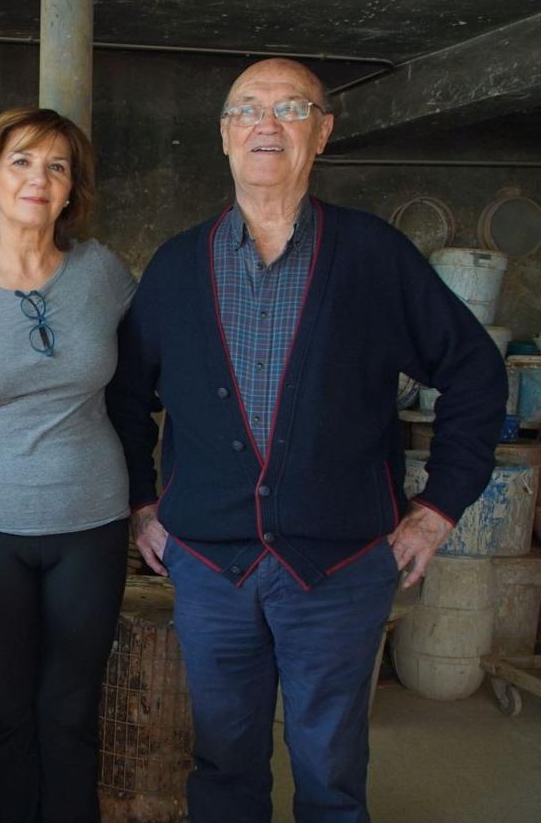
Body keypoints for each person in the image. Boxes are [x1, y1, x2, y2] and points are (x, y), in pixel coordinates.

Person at [107, 58, 507, 822]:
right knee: (222, 761)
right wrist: (144, 503)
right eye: (248, 109)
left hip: (342, 565)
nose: (267, 122)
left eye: (291, 107)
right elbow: (125, 397)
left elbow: (477, 375)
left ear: (321, 133)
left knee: (330, 767)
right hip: (211, 565)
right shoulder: (175, 266)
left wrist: (438, 508)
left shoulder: (372, 257)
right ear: (224, 134)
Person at [0, 107, 136, 823]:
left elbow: (144, 382)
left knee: (70, 708)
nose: (37, 178)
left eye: (57, 166)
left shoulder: (103, 272)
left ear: (73, 191)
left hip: (90, 519)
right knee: (8, 709)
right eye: (20, 161)